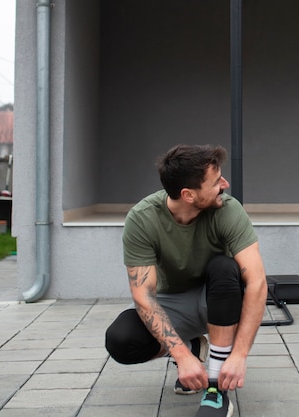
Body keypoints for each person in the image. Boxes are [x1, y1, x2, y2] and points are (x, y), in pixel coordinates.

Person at [105, 144, 268, 417]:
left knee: (224, 267)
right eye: (216, 182)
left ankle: (216, 388)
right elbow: (144, 296)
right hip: (174, 303)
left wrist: (239, 355)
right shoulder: (142, 218)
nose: (224, 185)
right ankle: (194, 346)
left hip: (220, 299)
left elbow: (257, 282)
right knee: (121, 340)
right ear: (188, 195)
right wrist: (182, 356)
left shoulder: (228, 210)